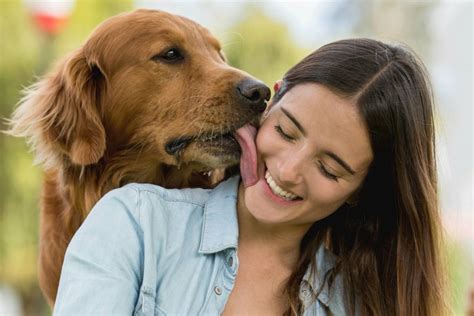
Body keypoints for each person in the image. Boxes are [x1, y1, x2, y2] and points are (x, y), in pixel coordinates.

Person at [53, 38, 448, 315]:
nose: (289, 170)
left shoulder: (359, 301)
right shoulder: (134, 224)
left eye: (329, 168)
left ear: (362, 190)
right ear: (270, 100)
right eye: (286, 132)